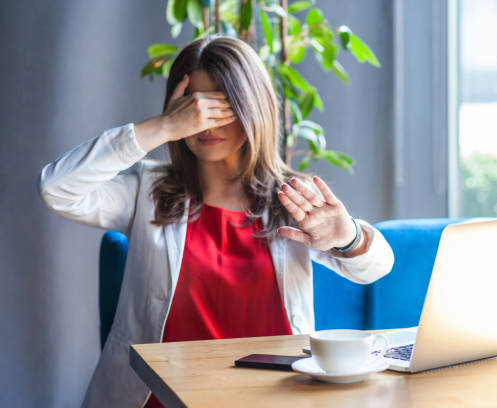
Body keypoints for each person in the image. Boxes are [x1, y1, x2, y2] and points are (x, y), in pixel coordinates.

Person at [37, 35, 394, 408]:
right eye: (193, 107)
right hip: (160, 399)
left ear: (250, 106)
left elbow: (378, 266)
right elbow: (56, 188)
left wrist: (348, 237)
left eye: (220, 105)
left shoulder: (291, 198)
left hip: (275, 399)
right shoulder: (146, 191)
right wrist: (160, 128)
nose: (205, 123)